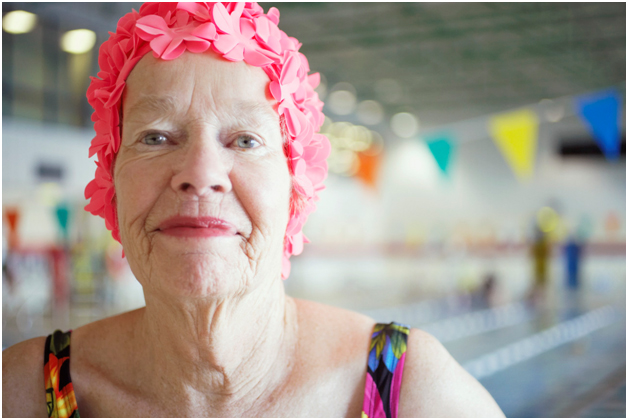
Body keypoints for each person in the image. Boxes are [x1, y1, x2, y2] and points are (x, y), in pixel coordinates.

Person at [2, 3, 504, 417]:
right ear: (111, 179)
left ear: (297, 187)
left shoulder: (407, 387)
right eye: (155, 137)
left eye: (245, 140)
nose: (200, 172)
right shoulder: (28, 391)